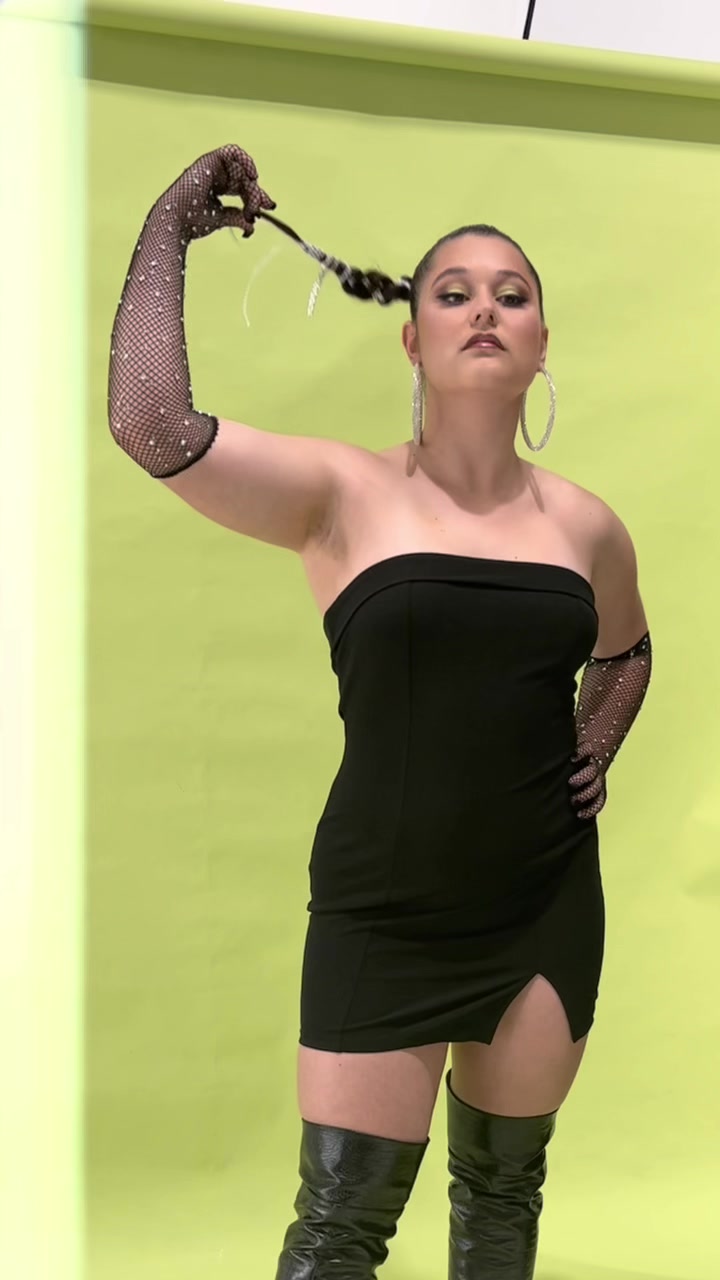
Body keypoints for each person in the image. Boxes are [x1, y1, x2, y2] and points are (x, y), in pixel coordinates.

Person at [107, 144, 652, 1279]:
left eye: (511, 294)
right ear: (412, 337)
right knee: (339, 1230)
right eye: (453, 292)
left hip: (543, 901)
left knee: (501, 1200)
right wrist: (169, 224)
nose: (485, 309)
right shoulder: (339, 493)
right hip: (385, 908)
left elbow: (629, 650)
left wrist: (596, 741)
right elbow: (152, 424)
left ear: (542, 339)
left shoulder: (588, 525)